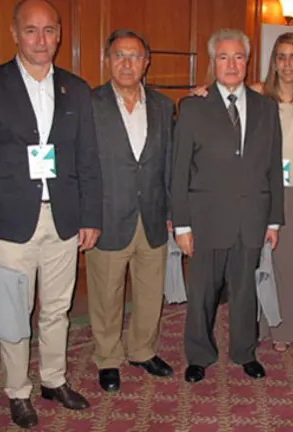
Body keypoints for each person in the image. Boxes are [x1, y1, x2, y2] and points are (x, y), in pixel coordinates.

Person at [0, 0, 102, 428]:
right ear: (14, 33)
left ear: (59, 34)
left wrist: (90, 215)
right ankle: (18, 390)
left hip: (63, 217)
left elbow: (88, 158)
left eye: (49, 31)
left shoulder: (76, 88)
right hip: (9, 222)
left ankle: (53, 378)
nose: (41, 40)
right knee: (14, 312)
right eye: (31, 31)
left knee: (57, 308)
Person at [190, 32, 293, 352]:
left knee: (290, 267)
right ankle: (255, 328)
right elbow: (225, 92)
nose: (287, 64)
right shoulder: (259, 94)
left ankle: (284, 331)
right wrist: (202, 91)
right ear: (272, 63)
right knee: (257, 265)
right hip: (257, 190)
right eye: (281, 56)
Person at [172, 28, 284, 384]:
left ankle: (244, 351)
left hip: (251, 218)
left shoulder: (267, 108)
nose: (231, 64)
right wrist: (182, 225)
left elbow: (273, 167)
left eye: (238, 57)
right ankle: (199, 354)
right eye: (223, 57)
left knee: (245, 291)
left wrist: (275, 220)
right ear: (212, 62)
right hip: (205, 220)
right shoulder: (192, 107)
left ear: (247, 61)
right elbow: (178, 171)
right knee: (202, 292)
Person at [88, 29, 175, 392]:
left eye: (134, 56)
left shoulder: (163, 105)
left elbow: (168, 162)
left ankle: (142, 350)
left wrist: (172, 211)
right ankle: (108, 357)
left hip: (152, 214)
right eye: (119, 56)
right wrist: (85, 216)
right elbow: (81, 165)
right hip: (107, 218)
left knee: (150, 291)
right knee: (106, 294)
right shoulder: (89, 103)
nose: (127, 63)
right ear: (108, 60)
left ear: (146, 62)